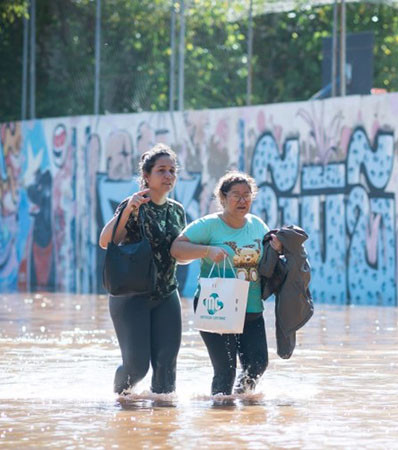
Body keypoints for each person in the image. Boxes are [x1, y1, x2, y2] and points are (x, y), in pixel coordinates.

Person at [171, 170, 282, 396]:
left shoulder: (258, 224)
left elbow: (267, 258)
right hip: (216, 304)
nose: (242, 200)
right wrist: (207, 251)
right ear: (222, 198)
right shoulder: (209, 225)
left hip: (251, 306)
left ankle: (243, 410)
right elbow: (176, 249)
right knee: (225, 372)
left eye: (247, 195)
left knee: (258, 364)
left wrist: (277, 249)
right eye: (236, 195)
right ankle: (220, 421)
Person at [98, 143, 186, 395]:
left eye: (172, 170)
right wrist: (127, 211)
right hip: (131, 296)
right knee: (137, 368)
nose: (168, 176)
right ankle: (118, 400)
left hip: (167, 294)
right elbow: (106, 241)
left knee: (166, 368)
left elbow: (179, 251)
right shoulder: (133, 205)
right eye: (161, 170)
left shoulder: (177, 210)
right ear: (146, 176)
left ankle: (161, 424)